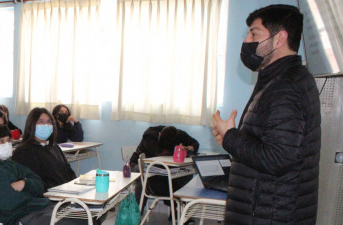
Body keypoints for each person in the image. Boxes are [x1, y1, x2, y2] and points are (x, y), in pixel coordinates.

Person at [212, 5, 321, 224]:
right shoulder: (282, 80)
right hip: (270, 210)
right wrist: (230, 139)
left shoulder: (285, 87)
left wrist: (232, 136)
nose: (246, 41)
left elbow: (277, 158)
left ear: (280, 39)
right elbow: (273, 147)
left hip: (269, 215)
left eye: (254, 33)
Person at [0, 124, 86, 225]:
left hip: (37, 209)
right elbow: (8, 203)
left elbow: (39, 183)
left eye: (8, 140)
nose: (6, 144)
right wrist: (32, 195)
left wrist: (24, 184)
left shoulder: (11, 164)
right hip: (15, 218)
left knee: (85, 217)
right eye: (1, 141)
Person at [128, 126, 199, 211]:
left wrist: (190, 148)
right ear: (159, 134)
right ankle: (137, 212)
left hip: (160, 169)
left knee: (184, 174)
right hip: (138, 164)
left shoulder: (179, 135)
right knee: (145, 176)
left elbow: (195, 143)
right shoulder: (150, 136)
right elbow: (156, 158)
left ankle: (177, 209)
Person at [12, 108, 76, 190]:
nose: (46, 125)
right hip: (46, 198)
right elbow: (35, 184)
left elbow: (68, 171)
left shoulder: (53, 146)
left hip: (65, 193)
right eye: (40, 121)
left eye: (49, 122)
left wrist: (75, 186)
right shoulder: (23, 152)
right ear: (32, 125)